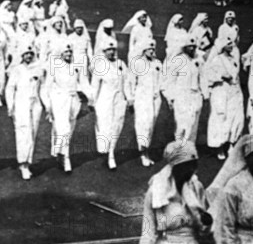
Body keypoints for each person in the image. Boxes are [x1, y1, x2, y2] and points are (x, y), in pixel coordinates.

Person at [41, 40, 90, 173]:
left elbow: (84, 82)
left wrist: (91, 97)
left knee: (69, 129)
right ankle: (65, 157)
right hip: (59, 100)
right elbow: (47, 86)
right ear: (61, 54)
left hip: (74, 101)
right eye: (65, 52)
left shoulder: (76, 65)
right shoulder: (55, 66)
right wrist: (48, 104)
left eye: (70, 51)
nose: (68, 54)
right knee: (64, 129)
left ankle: (59, 152)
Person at [90, 40, 132, 170]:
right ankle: (105, 149)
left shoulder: (121, 64)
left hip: (119, 100)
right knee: (104, 126)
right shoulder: (100, 66)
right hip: (104, 100)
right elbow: (95, 85)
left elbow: (126, 82)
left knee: (117, 125)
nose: (112, 52)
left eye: (113, 49)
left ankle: (111, 154)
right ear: (104, 52)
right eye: (109, 49)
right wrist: (92, 100)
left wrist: (129, 98)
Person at [5, 45, 44, 181]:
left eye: (30, 53)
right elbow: (10, 88)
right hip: (21, 104)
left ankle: (28, 160)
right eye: (26, 54)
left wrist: (46, 104)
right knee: (23, 133)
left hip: (35, 104)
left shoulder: (38, 69)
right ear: (21, 56)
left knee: (32, 133)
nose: (28, 56)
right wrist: (11, 106)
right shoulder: (17, 70)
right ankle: (23, 163)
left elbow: (42, 87)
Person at [162, 33, 208, 143]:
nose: (192, 48)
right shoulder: (178, 60)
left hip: (195, 95)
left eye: (194, 46)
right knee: (182, 124)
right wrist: (170, 97)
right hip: (181, 96)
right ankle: (179, 151)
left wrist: (205, 94)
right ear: (184, 47)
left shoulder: (198, 60)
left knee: (193, 125)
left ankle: (190, 150)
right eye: (189, 46)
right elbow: (170, 80)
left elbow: (203, 77)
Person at [206, 37, 244, 160]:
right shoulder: (217, 59)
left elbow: (236, 76)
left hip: (234, 91)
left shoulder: (233, 59)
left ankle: (232, 143)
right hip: (221, 92)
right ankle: (220, 147)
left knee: (236, 118)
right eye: (228, 44)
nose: (231, 45)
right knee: (221, 118)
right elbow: (209, 75)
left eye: (232, 43)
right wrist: (221, 76)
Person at [130, 38, 162, 167]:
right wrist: (131, 98)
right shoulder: (137, 63)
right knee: (144, 124)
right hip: (142, 98)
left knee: (151, 124)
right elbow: (131, 81)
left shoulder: (157, 63)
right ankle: (143, 153)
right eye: (149, 49)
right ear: (144, 50)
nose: (152, 51)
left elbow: (162, 79)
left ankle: (146, 150)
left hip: (155, 98)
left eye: (153, 49)